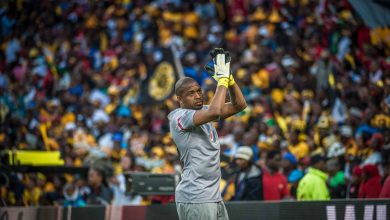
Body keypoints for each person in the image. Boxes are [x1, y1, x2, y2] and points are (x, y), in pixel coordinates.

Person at [168, 48, 247, 220]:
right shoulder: (179, 117)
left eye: (198, 91)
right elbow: (214, 111)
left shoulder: (204, 111)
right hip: (195, 196)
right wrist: (222, 81)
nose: (197, 96)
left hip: (212, 196)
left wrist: (230, 80)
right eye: (191, 93)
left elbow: (240, 105)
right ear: (179, 99)